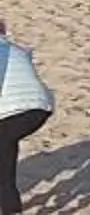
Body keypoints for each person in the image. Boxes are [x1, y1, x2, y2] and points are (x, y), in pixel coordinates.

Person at [0, 16, 52, 215]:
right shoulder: (15, 49)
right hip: (41, 108)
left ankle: (11, 209)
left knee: (3, 167)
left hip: (16, 111)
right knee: (6, 148)